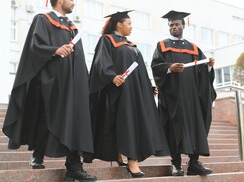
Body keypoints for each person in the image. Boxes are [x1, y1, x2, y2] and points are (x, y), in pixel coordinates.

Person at [2, 0, 97, 181]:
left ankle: (73, 166)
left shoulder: (72, 27)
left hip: (72, 84)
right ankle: (38, 155)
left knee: (74, 120)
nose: (74, 3)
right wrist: (54, 50)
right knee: (46, 117)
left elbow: (78, 56)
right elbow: (35, 46)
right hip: (51, 80)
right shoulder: (43, 20)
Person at [89, 11, 169, 178]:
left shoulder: (131, 44)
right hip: (117, 91)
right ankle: (131, 161)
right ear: (119, 24)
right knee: (125, 123)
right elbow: (100, 62)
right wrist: (111, 76)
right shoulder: (107, 40)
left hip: (133, 93)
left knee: (132, 123)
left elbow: (139, 69)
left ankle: (124, 156)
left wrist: (148, 87)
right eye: (129, 24)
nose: (131, 27)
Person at [151, 10, 217, 176]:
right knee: (174, 128)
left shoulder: (193, 48)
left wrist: (208, 65)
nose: (173, 27)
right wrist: (168, 68)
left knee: (196, 126)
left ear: (184, 25)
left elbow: (202, 69)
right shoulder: (162, 46)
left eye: (176, 24)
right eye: (171, 25)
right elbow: (156, 66)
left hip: (192, 98)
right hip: (173, 97)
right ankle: (176, 164)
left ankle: (194, 163)